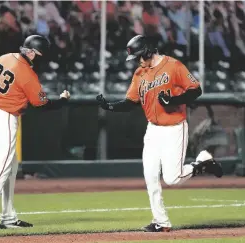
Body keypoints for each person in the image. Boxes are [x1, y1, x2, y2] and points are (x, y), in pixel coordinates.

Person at [96, 35, 223, 232]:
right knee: (150, 176)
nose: (137, 61)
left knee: (172, 178)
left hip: (174, 128)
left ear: (147, 50)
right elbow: (130, 102)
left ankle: (202, 163)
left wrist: (174, 100)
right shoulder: (140, 73)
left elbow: (195, 90)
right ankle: (161, 221)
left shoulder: (173, 66)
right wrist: (110, 106)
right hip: (153, 130)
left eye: (138, 56)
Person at [0, 35, 71, 229]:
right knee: (3, 167)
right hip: (4, 117)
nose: (42, 59)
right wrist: (63, 101)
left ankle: (8, 216)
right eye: (40, 55)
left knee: (11, 166)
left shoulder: (6, 57)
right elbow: (42, 105)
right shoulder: (26, 73)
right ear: (31, 52)